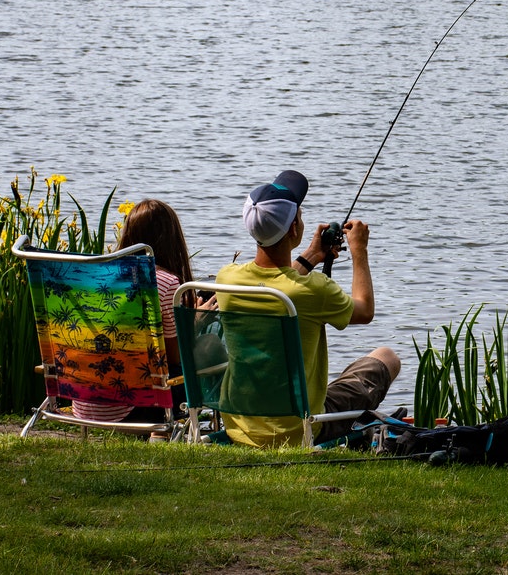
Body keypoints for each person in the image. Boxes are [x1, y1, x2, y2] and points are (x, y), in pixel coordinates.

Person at [215, 170, 401, 447]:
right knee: (386, 357)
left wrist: (312, 255)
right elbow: (364, 311)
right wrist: (359, 250)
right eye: (299, 215)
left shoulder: (227, 279)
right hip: (298, 428)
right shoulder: (314, 289)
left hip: (240, 425)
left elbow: (279, 285)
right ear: (293, 230)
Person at [71, 198, 195, 423]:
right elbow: (174, 358)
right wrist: (194, 322)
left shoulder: (96, 277)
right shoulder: (165, 283)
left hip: (86, 402)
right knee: (202, 355)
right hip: (135, 407)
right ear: (172, 240)